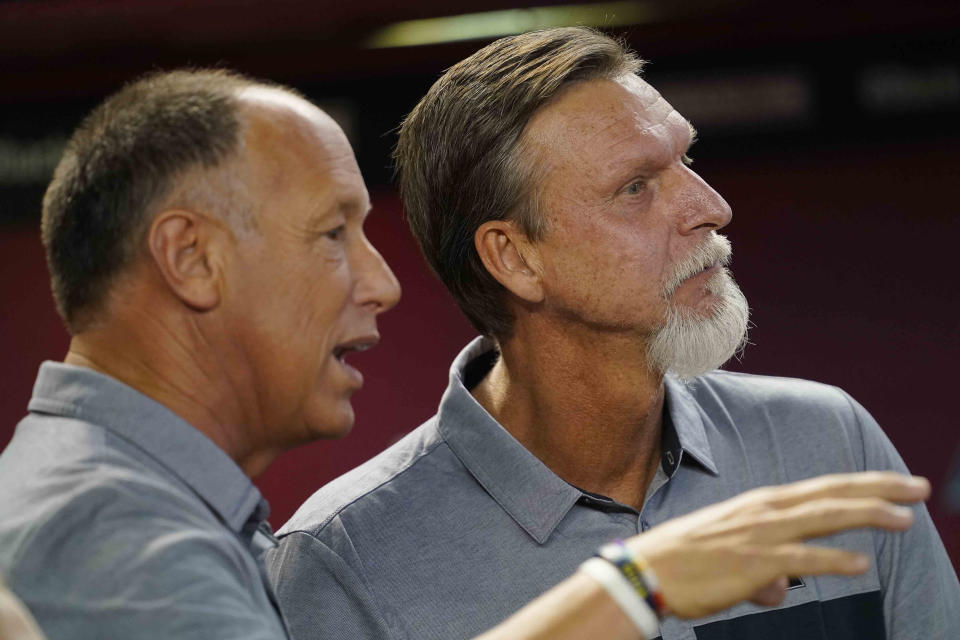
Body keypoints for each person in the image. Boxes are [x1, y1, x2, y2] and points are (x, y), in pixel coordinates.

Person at [0, 67, 935, 640]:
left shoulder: (831, 438)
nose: (379, 281)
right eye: (333, 233)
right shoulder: (124, 536)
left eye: (691, 161)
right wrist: (637, 588)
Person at [268, 27, 960, 640]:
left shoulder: (827, 443)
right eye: (635, 187)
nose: (711, 208)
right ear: (514, 257)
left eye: (688, 161)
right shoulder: (343, 561)